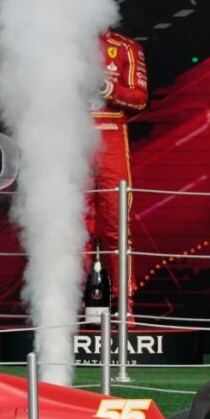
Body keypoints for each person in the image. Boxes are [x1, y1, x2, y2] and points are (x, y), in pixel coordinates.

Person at [88, 30, 148, 318]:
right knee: (71, 230)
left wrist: (108, 89)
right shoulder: (57, 40)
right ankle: (64, 306)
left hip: (111, 138)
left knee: (116, 228)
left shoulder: (125, 47)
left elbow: (140, 100)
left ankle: (125, 308)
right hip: (67, 138)